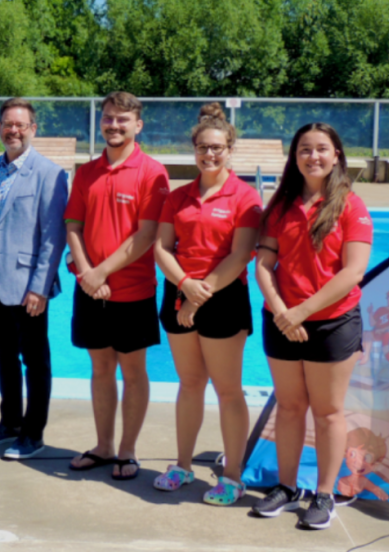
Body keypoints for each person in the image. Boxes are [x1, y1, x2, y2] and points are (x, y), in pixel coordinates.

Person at [251, 123, 373, 530]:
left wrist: (300, 313)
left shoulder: (351, 206)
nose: (313, 156)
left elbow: (353, 272)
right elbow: (264, 265)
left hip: (331, 323)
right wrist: (281, 310)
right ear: (295, 156)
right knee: (288, 408)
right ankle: (287, 488)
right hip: (281, 319)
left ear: (336, 154)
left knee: (328, 413)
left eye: (322, 149)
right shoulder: (280, 205)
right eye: (305, 149)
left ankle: (324, 493)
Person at [151, 103, 260, 504]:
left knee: (228, 390)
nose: (209, 154)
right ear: (193, 149)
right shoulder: (178, 196)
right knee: (190, 384)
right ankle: (182, 464)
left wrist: (199, 294)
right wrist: (184, 283)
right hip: (179, 290)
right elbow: (162, 248)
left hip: (223, 296)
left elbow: (240, 254)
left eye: (217, 147)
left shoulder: (245, 196)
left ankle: (232, 475)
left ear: (230, 149)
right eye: (202, 147)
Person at [65, 91, 170, 480]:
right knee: (101, 368)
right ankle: (104, 445)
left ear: (137, 125)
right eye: (108, 118)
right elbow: (72, 226)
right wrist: (87, 274)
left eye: (122, 120)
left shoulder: (152, 172)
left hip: (133, 290)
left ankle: (128, 450)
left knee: (133, 370)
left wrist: (100, 272)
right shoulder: (87, 172)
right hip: (89, 287)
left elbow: (145, 237)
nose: (114, 125)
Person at [0, 98, 68, 459]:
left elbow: (53, 236)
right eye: (7, 124)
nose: (13, 130)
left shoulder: (49, 173)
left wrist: (40, 288)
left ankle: (32, 432)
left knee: (35, 360)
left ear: (33, 129)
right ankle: (9, 421)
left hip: (29, 285)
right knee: (3, 356)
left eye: (21, 125)